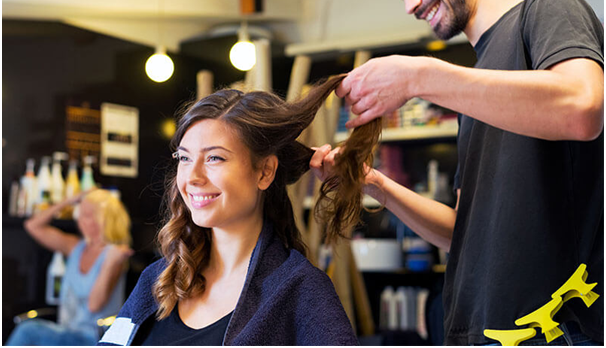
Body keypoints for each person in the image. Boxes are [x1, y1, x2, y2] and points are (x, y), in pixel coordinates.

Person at [311, 0, 603, 346]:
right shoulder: (474, 83)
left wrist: (419, 76)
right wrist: (375, 185)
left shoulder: (547, 7)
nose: (409, 4)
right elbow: (463, 230)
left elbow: (583, 108)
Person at [99, 75, 378, 346]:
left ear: (265, 172)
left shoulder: (300, 290)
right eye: (184, 158)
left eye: (214, 158)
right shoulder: (159, 279)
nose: (192, 176)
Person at [6, 188, 133, 346]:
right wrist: (69, 201)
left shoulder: (114, 255)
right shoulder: (75, 247)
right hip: (66, 334)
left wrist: (110, 264)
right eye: (80, 213)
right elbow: (33, 226)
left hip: (94, 338)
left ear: (104, 219)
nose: (80, 219)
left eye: (87, 215)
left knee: (28, 331)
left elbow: (94, 305)